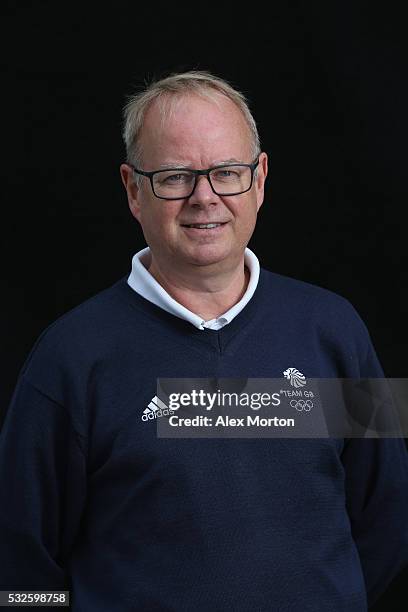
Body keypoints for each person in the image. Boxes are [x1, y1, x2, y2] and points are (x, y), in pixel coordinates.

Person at [0, 70, 407, 611]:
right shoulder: (69, 359)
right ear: (132, 189)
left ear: (259, 179)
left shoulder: (335, 329)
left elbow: (392, 519)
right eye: (174, 176)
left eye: (227, 172)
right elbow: (18, 572)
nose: (204, 197)